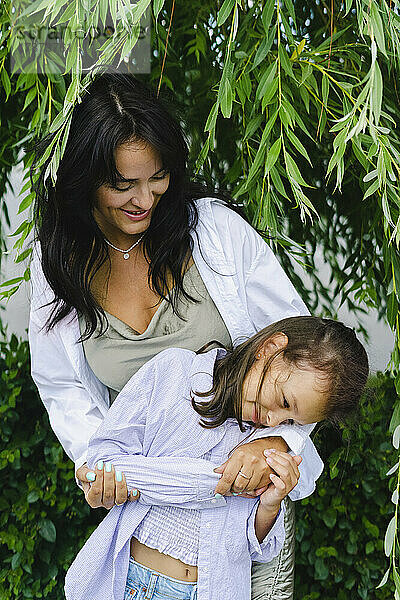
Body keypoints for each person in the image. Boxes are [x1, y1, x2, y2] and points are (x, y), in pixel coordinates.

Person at [29, 72, 323, 598]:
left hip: (244, 513)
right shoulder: (59, 264)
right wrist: (99, 463)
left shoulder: (214, 231)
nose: (145, 199)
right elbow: (62, 387)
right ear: (85, 179)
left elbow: (303, 356)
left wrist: (279, 442)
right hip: (148, 527)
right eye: (123, 185)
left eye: (157, 178)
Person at [64, 316, 369, 600]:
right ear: (270, 348)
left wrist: (271, 503)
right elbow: (105, 461)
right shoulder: (173, 373)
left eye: (292, 422)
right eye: (284, 401)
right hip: (130, 582)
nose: (275, 420)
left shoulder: (266, 448)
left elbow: (256, 547)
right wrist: (209, 482)